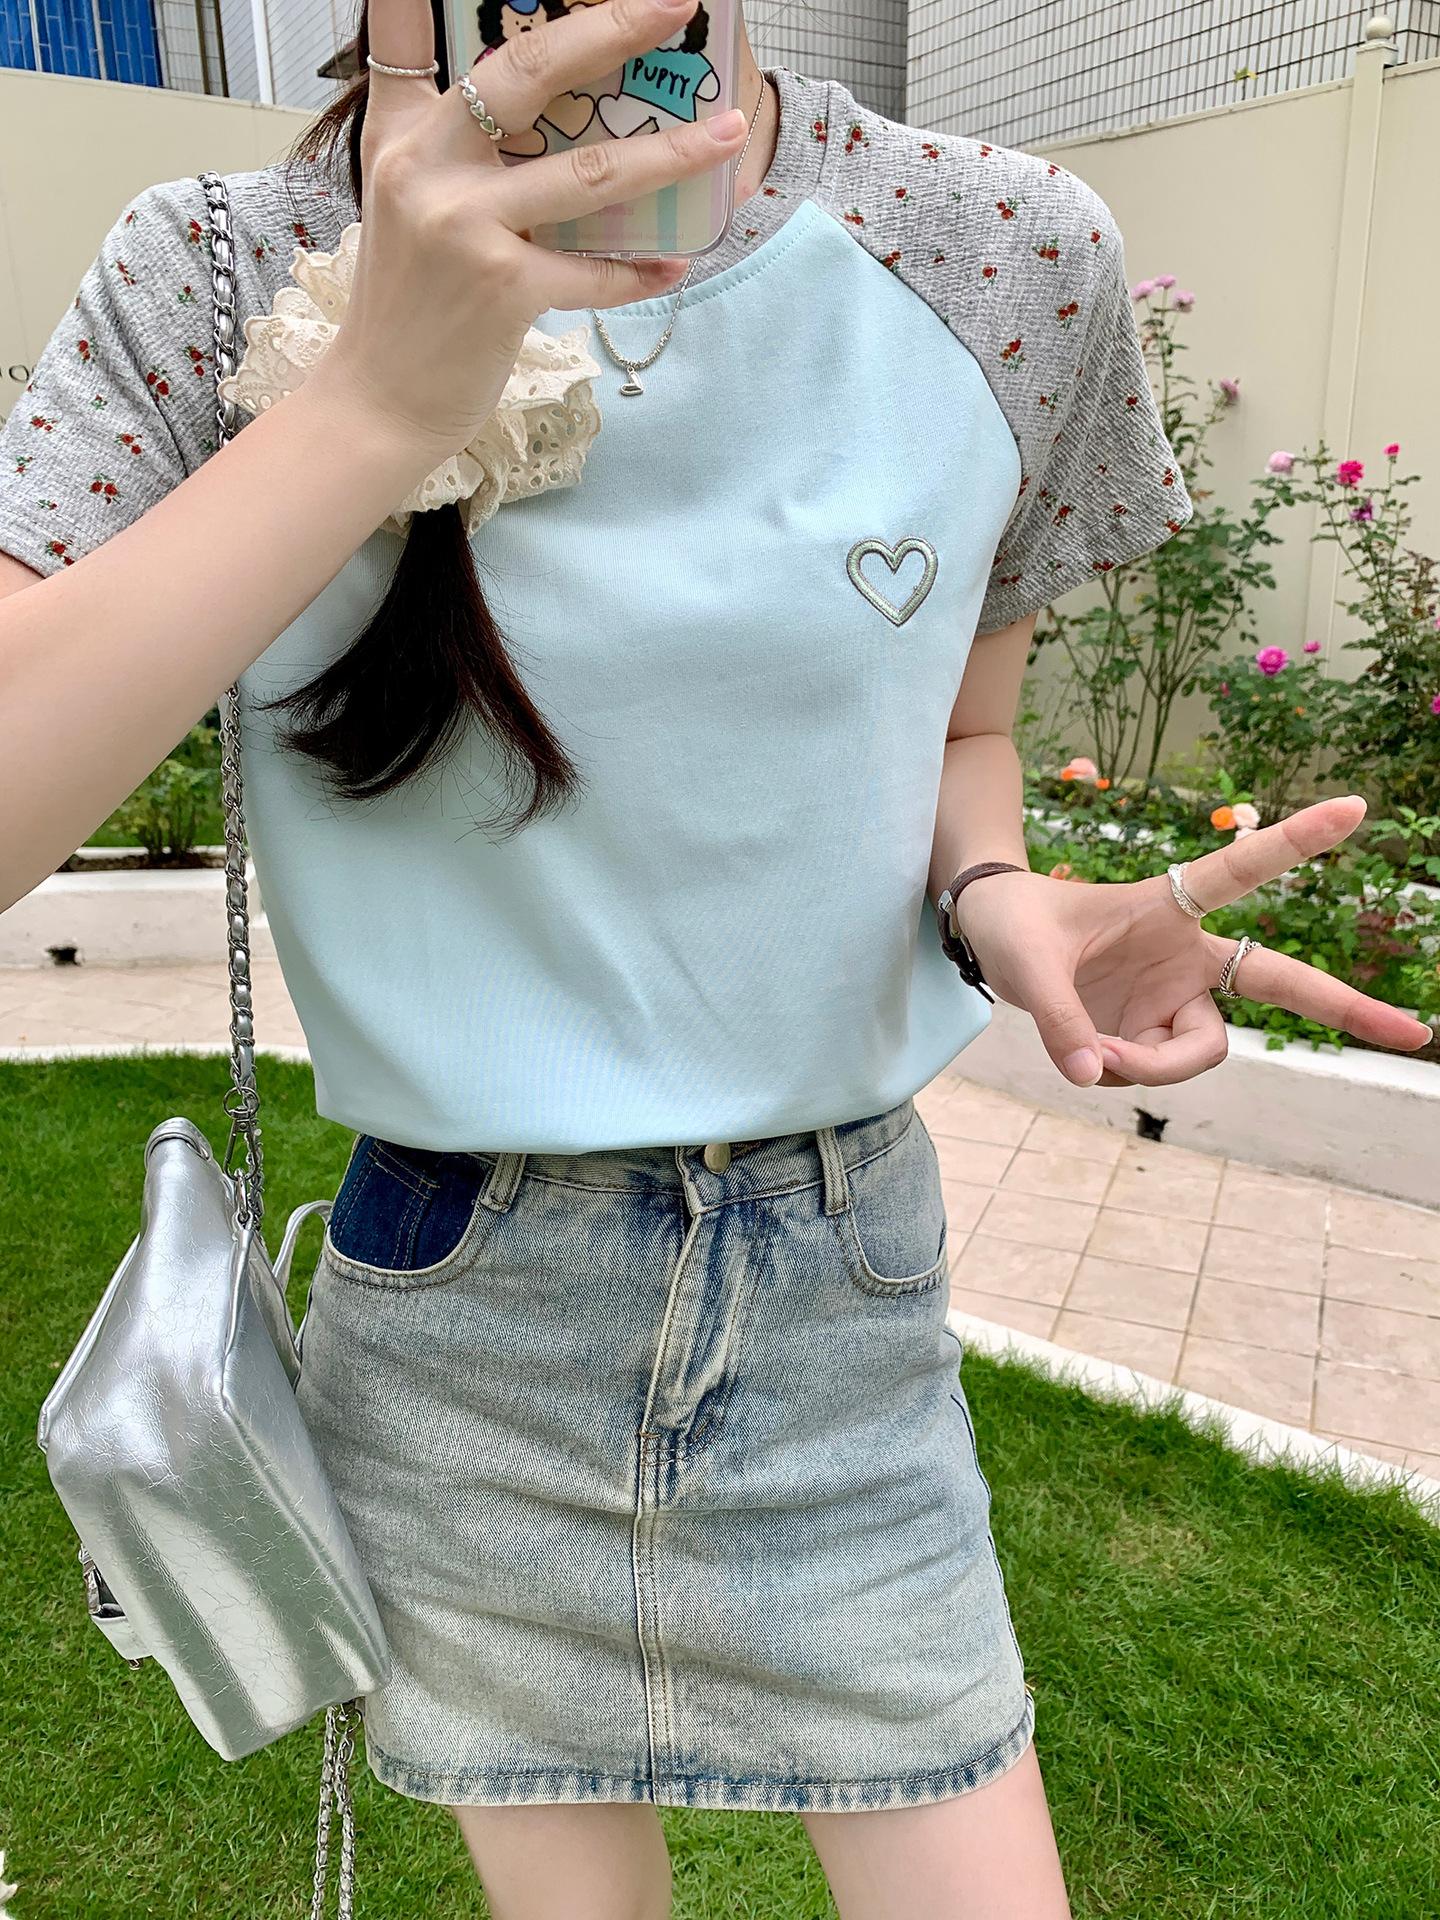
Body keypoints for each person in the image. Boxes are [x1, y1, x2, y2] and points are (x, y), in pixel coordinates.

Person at [0, 2, 1427, 1915]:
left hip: (840, 1297)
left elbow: (961, 730)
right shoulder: (213, 265)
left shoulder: (995, 249)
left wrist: (999, 892)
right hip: (457, 1317)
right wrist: (373, 404)